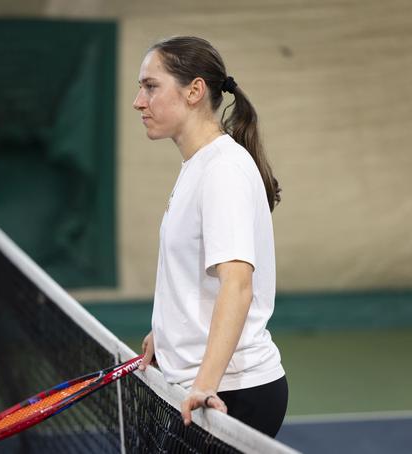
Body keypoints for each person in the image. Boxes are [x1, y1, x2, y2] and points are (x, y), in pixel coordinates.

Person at [133, 36, 288, 438]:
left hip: (230, 394)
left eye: (151, 86)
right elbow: (195, 274)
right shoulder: (199, 166)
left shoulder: (223, 171)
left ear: (194, 91)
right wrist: (167, 333)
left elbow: (237, 286)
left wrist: (205, 385)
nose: (139, 101)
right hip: (199, 385)